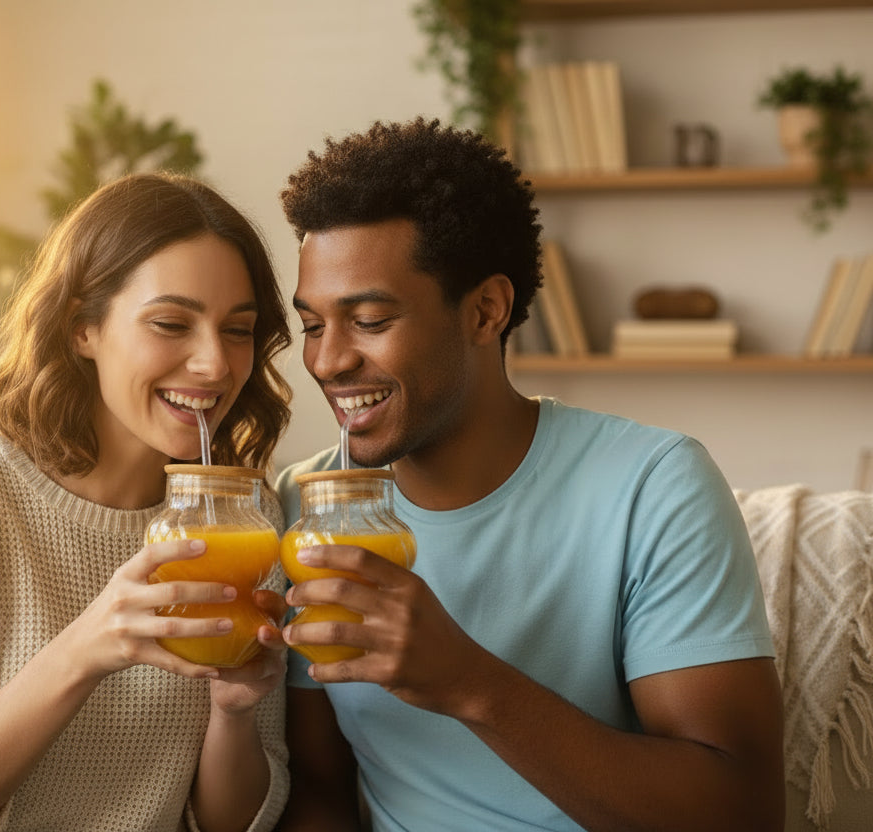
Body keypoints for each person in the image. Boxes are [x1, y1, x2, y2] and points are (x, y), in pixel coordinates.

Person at [273, 119, 784, 832]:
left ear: (487, 311)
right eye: (313, 326)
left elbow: (743, 811)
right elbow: (321, 792)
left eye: (369, 319)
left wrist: (469, 684)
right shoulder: (305, 504)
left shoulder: (652, 486)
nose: (328, 362)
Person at [0, 172, 293, 832]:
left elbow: (232, 826)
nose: (214, 366)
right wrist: (86, 648)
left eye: (238, 330)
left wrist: (235, 711)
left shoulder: (248, 518)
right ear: (84, 326)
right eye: (171, 323)